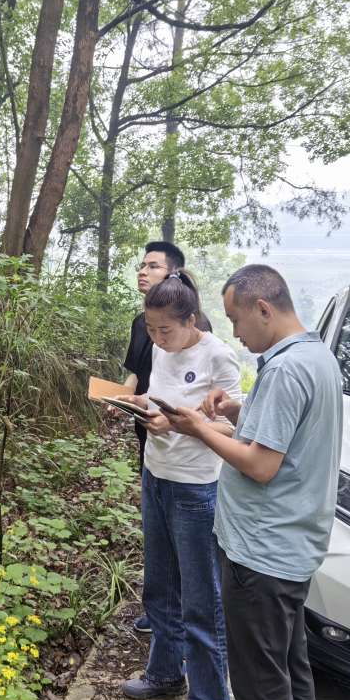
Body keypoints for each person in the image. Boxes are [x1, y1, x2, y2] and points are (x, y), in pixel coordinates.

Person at [159, 264, 344, 700]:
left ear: (263, 309)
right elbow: (285, 433)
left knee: (260, 687)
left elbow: (261, 465)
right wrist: (235, 410)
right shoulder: (316, 356)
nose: (235, 334)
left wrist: (198, 429)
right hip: (293, 547)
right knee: (289, 670)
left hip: (261, 556)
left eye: (236, 320)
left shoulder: (284, 370)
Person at [116, 271, 241, 700]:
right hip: (156, 476)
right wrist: (139, 403)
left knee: (200, 599)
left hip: (195, 489)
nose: (157, 338)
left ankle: (209, 699)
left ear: (191, 320)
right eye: (150, 328)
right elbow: (160, 398)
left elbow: (234, 427)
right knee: (161, 587)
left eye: (165, 329)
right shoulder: (158, 349)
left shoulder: (218, 356)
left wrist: (181, 425)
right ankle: (166, 673)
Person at [121, 241, 212, 633]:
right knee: (156, 533)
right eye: (141, 265)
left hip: (186, 456)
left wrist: (172, 423)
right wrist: (123, 399)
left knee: (184, 541)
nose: (143, 272)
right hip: (151, 434)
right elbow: (136, 372)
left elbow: (204, 406)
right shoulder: (141, 323)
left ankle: (184, 619)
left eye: (153, 266)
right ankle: (162, 615)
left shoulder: (198, 332)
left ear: (173, 274)